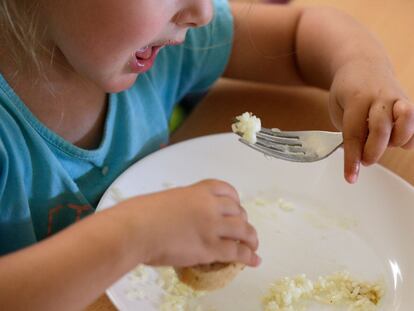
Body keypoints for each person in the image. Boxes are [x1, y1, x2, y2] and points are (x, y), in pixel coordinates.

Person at [0, 0, 412, 310]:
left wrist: (363, 72)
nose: (201, 12)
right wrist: (132, 234)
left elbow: (299, 29)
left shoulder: (158, 41)